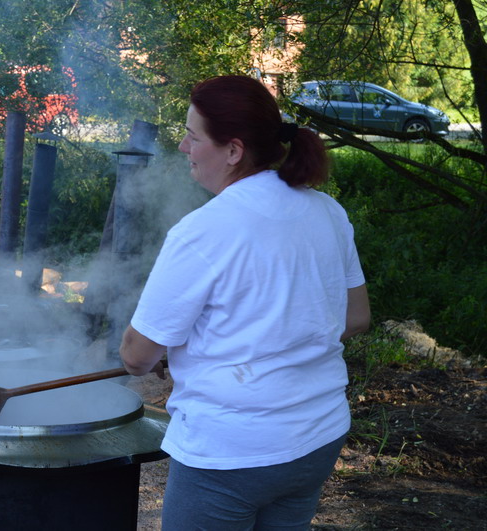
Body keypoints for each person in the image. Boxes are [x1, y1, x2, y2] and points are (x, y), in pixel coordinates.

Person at [119, 75, 371, 529]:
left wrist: (176, 350)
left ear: (233, 151)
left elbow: (137, 356)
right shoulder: (328, 211)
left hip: (231, 452)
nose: (183, 147)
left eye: (193, 137)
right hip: (318, 436)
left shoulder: (203, 231)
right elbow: (355, 317)